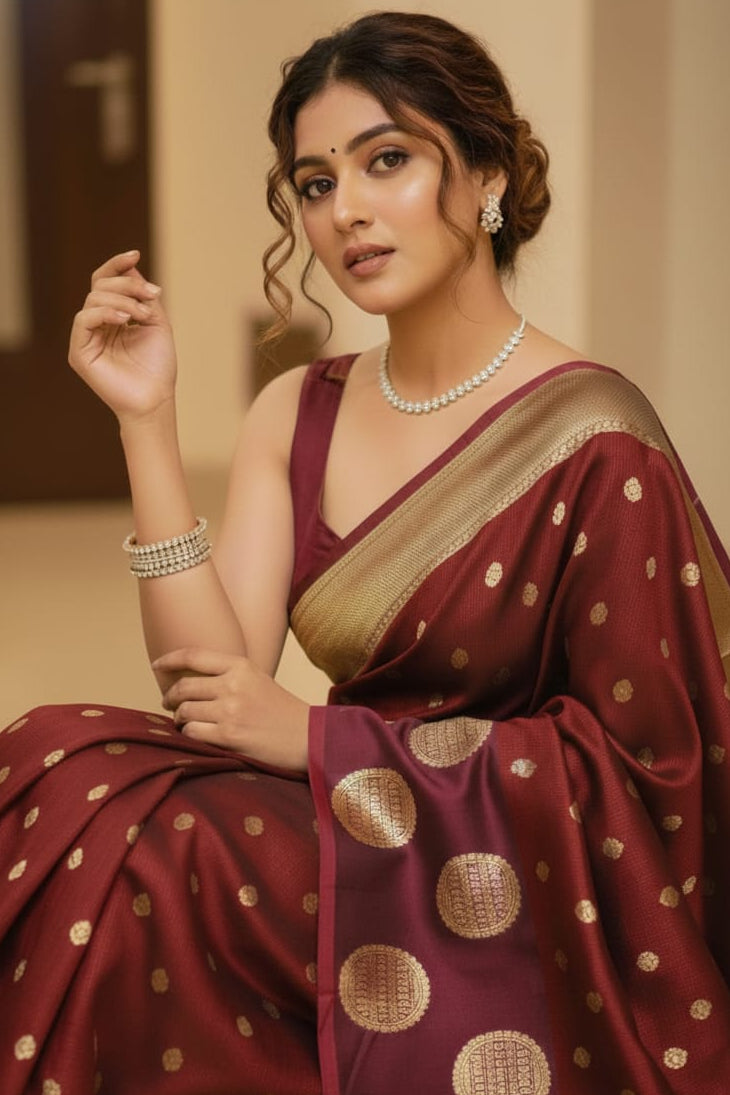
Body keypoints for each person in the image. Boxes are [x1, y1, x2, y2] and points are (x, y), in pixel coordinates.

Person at [1, 10, 729, 1094]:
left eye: (385, 161)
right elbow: (210, 687)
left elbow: (647, 782)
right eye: (313, 182)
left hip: (514, 880)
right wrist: (144, 422)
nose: (344, 212)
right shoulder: (301, 407)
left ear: (484, 171)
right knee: (63, 763)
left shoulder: (596, 440)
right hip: (347, 819)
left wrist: (321, 741)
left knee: (158, 855)